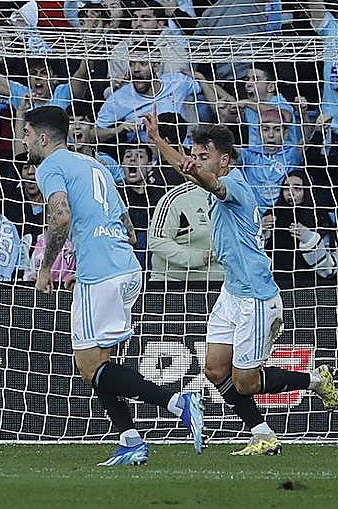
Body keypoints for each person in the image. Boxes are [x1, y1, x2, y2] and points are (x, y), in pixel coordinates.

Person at [144, 112, 338, 456]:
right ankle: (262, 434)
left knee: (245, 381)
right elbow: (190, 171)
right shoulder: (208, 177)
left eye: (203, 156)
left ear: (224, 159)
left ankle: (313, 381)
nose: (195, 161)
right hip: (232, 293)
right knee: (214, 369)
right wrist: (158, 140)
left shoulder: (232, 184)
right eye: (195, 155)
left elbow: (210, 183)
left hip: (255, 297)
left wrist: (193, 169)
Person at [22, 105, 203, 466]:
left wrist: (46, 269)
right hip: (126, 267)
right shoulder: (95, 165)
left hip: (102, 274)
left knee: (90, 368)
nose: (22, 140)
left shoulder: (50, 167)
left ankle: (177, 402)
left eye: (25, 134)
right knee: (100, 365)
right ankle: (130, 440)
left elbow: (61, 216)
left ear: (42, 138)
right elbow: (127, 223)